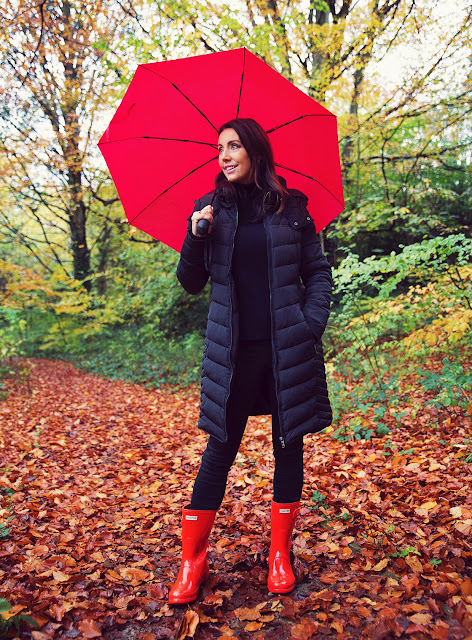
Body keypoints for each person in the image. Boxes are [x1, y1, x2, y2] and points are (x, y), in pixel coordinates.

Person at [169, 118, 332, 604]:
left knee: (289, 443)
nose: (223, 155)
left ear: (256, 151)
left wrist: (310, 324)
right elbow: (190, 283)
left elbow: (317, 272)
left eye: (233, 146)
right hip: (234, 354)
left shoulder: (292, 209)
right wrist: (196, 235)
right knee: (219, 449)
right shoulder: (211, 209)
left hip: (287, 349)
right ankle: (191, 562)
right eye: (219, 148)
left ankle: (280, 554)